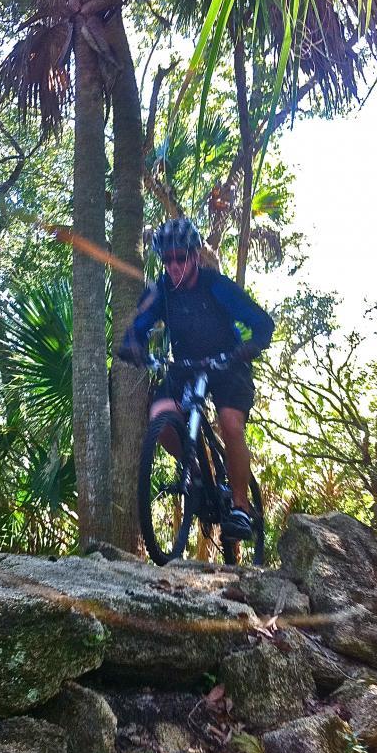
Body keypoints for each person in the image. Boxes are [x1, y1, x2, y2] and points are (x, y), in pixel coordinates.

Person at [118, 217, 274, 541]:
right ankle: (200, 476)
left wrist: (250, 346)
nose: (173, 265)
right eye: (167, 259)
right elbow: (140, 323)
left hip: (228, 365)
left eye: (180, 257)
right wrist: (133, 343)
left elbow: (261, 322)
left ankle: (241, 508)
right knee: (160, 417)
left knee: (231, 424)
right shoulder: (160, 289)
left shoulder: (216, 285)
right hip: (186, 367)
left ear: (194, 255)